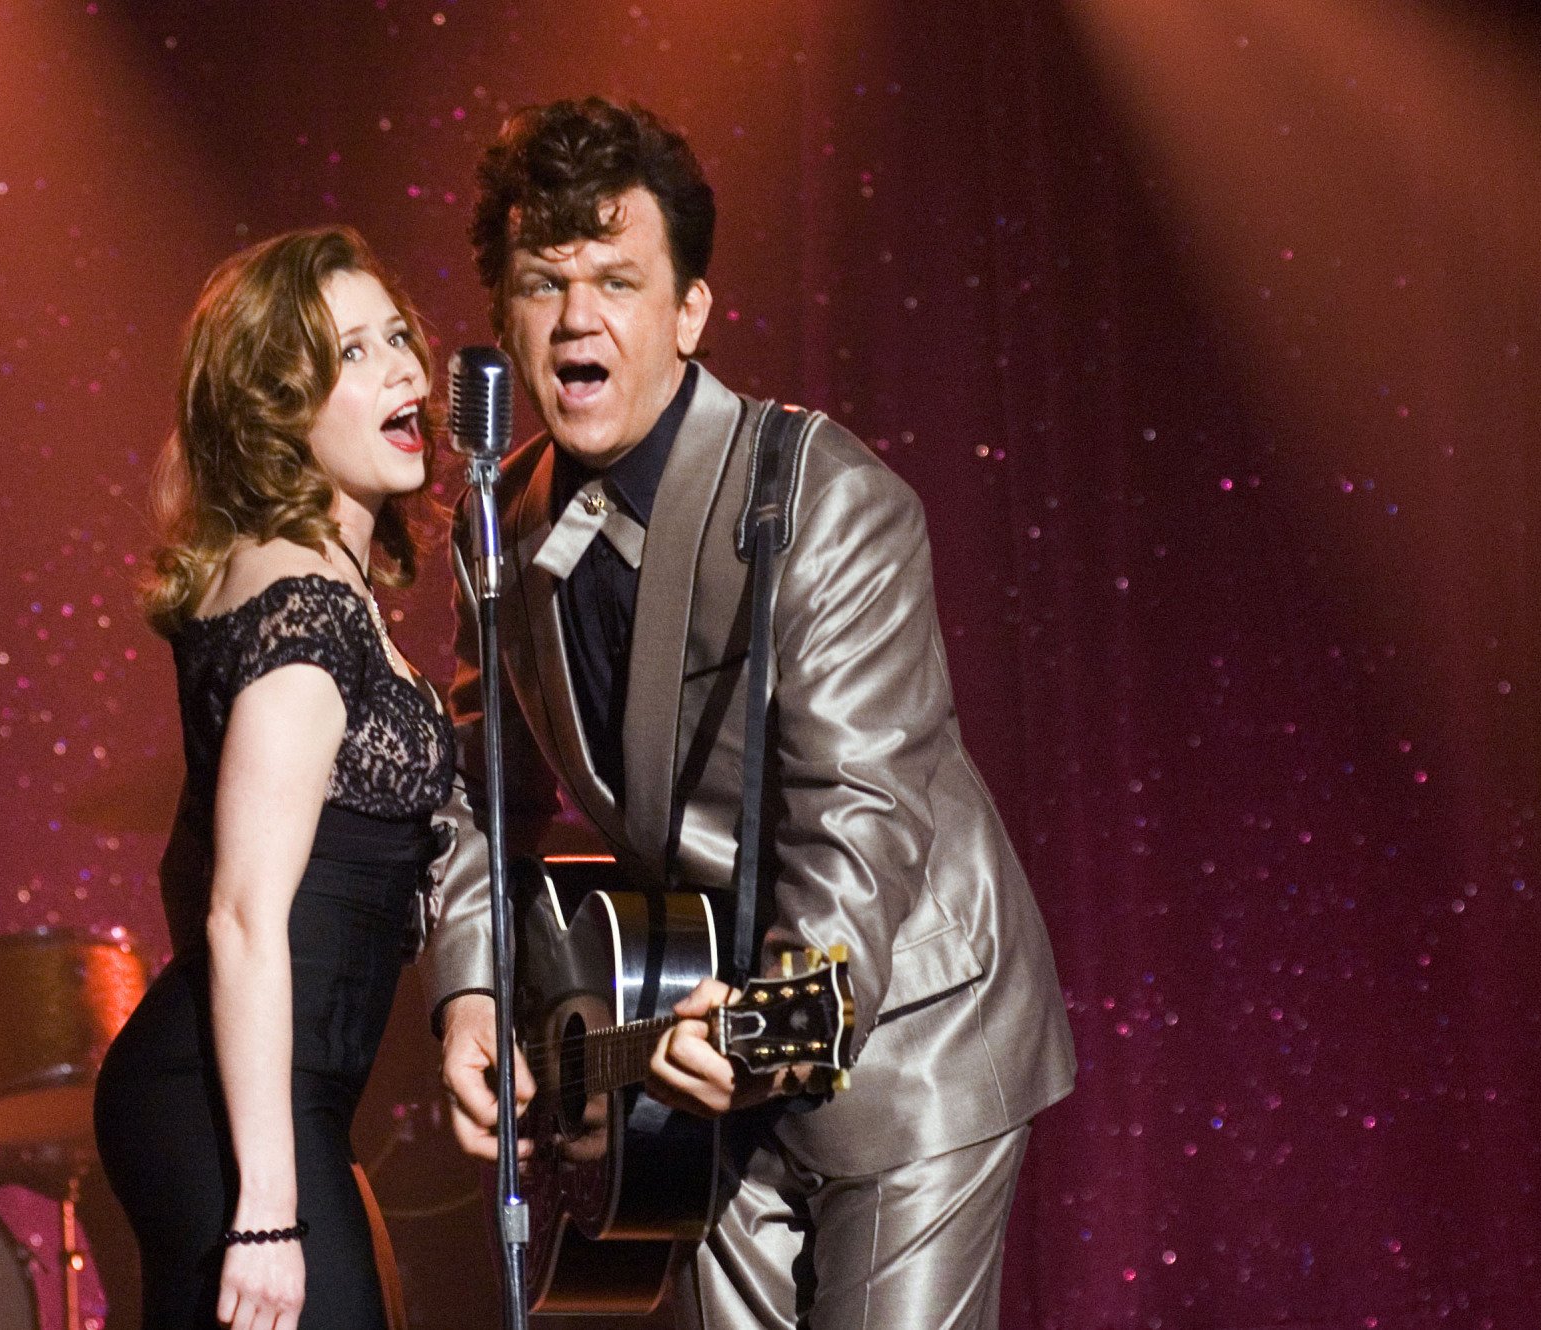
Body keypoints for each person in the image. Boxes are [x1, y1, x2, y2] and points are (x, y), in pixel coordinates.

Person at [424, 98, 1078, 1328]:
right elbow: (478, 791)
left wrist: (777, 1009)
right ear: (503, 316)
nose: (577, 317)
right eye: (541, 282)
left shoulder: (822, 500)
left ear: (690, 313)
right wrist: (471, 995)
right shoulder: (493, 529)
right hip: (686, 1053)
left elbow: (859, 810)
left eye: (616, 280)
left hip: (897, 1021)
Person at [93, 225, 461, 1329]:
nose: (404, 367)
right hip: (235, 1114)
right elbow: (242, 915)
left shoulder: (314, 583)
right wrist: (264, 1212)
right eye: (351, 353)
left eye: (399, 336)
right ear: (275, 405)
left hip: (256, 1102)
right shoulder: (308, 604)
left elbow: (188, 857)